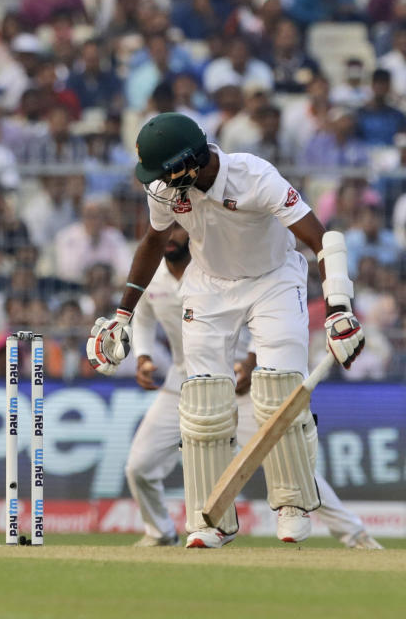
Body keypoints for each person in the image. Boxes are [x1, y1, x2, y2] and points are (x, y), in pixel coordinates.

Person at [88, 112, 365, 548]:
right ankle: (208, 519)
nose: (157, 181)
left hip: (274, 280)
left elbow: (320, 238)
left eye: (164, 171)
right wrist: (123, 315)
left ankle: (291, 503)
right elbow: (153, 243)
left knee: (278, 390)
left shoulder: (254, 175)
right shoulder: (166, 190)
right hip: (210, 284)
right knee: (202, 399)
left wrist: (338, 309)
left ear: (189, 162)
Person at [126, 224, 382, 549]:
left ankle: (355, 534)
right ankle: (160, 532)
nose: (173, 236)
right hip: (183, 384)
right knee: (138, 467)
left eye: (180, 228)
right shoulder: (155, 276)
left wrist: (250, 361)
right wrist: (144, 355)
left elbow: (260, 313)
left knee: (291, 467)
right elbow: (144, 318)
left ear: (194, 230)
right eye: (169, 229)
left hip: (239, 387)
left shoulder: (218, 266)